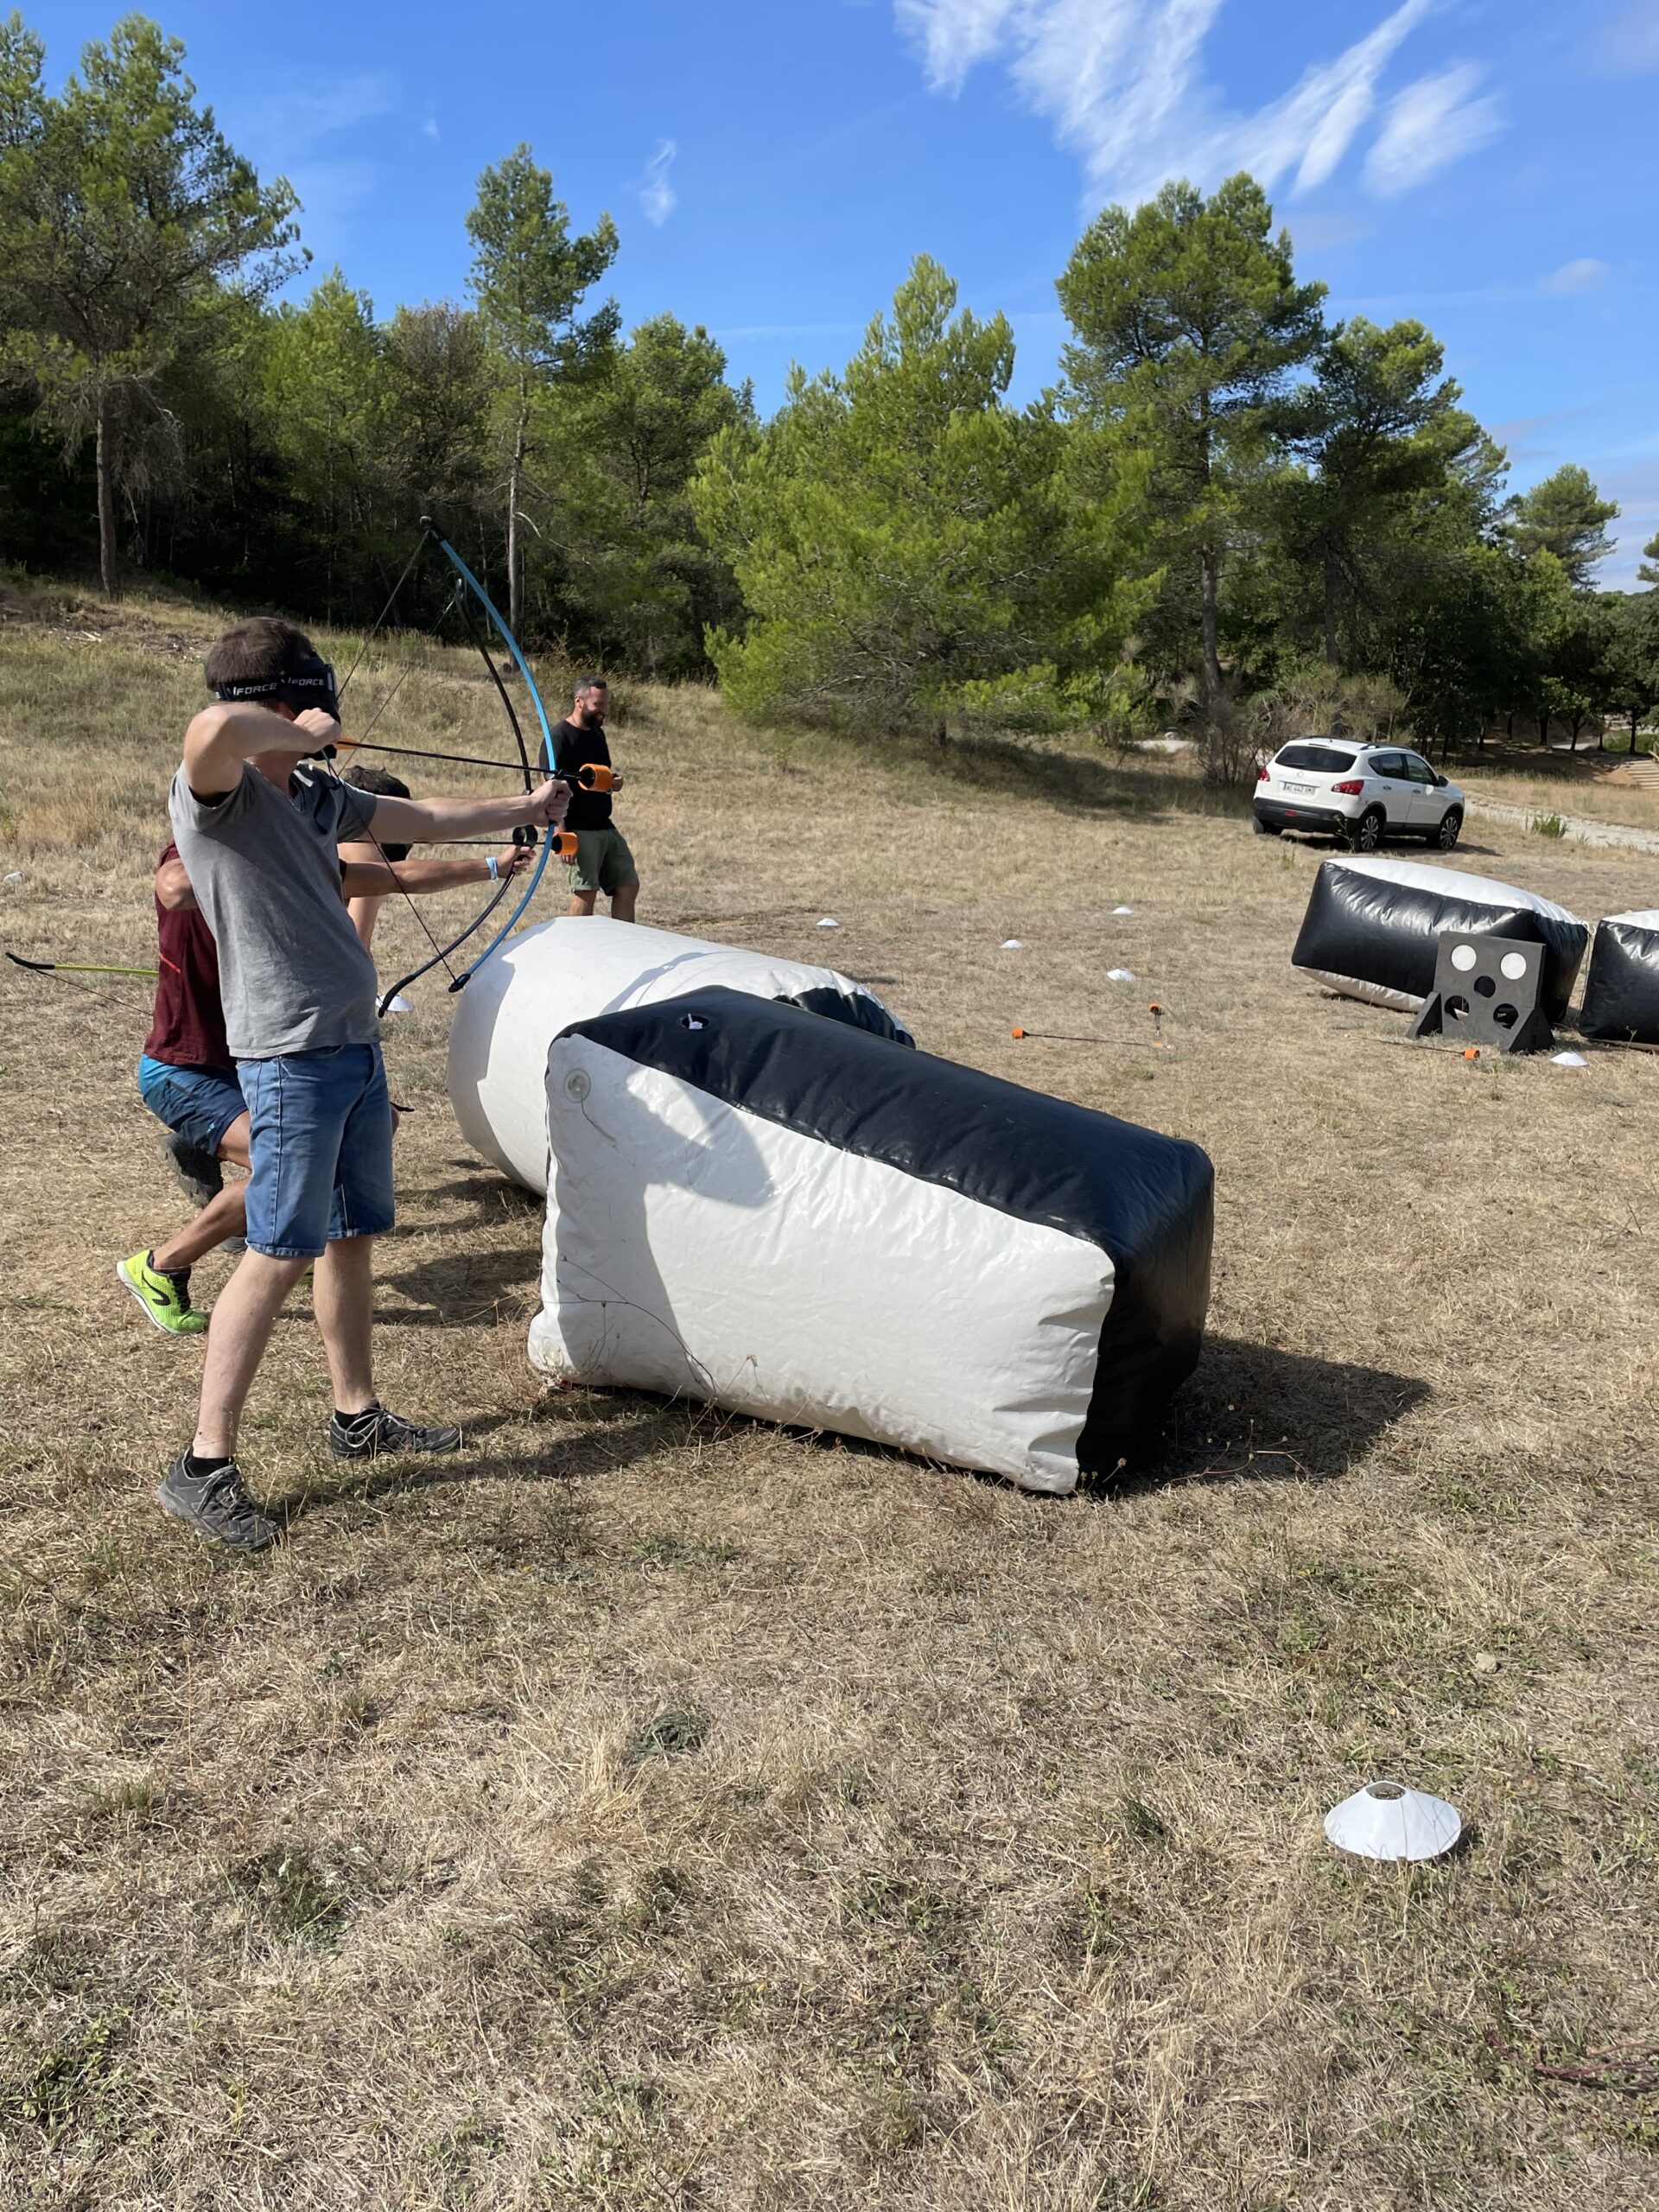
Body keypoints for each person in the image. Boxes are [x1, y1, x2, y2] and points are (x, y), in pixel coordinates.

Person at [158, 615, 569, 1553]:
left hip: (350, 1048)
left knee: (350, 1236)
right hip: (290, 1055)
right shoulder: (217, 798)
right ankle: (203, 1464)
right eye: (311, 708)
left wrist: (529, 809)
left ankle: (356, 1414)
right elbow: (208, 734)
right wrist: (296, 730)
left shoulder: (313, 795)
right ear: (277, 706)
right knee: (277, 1246)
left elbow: (419, 823)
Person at [119, 829, 536, 1335]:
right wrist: (255, 850)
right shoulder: (208, 855)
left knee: (374, 1124)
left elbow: (396, 874)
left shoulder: (292, 872)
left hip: (257, 1067)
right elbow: (173, 885)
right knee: (286, 1169)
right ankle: (161, 1266)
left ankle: (287, 1235)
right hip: (184, 1071)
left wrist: (493, 864)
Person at [551, 677, 638, 920]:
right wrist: (562, 833)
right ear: (579, 702)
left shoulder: (598, 734)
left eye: (605, 704)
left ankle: (623, 947)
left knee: (627, 885)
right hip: (578, 828)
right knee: (586, 892)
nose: (604, 710)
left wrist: (613, 781)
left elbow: (602, 774)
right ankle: (575, 950)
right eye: (597, 704)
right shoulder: (559, 737)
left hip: (605, 825)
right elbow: (550, 787)